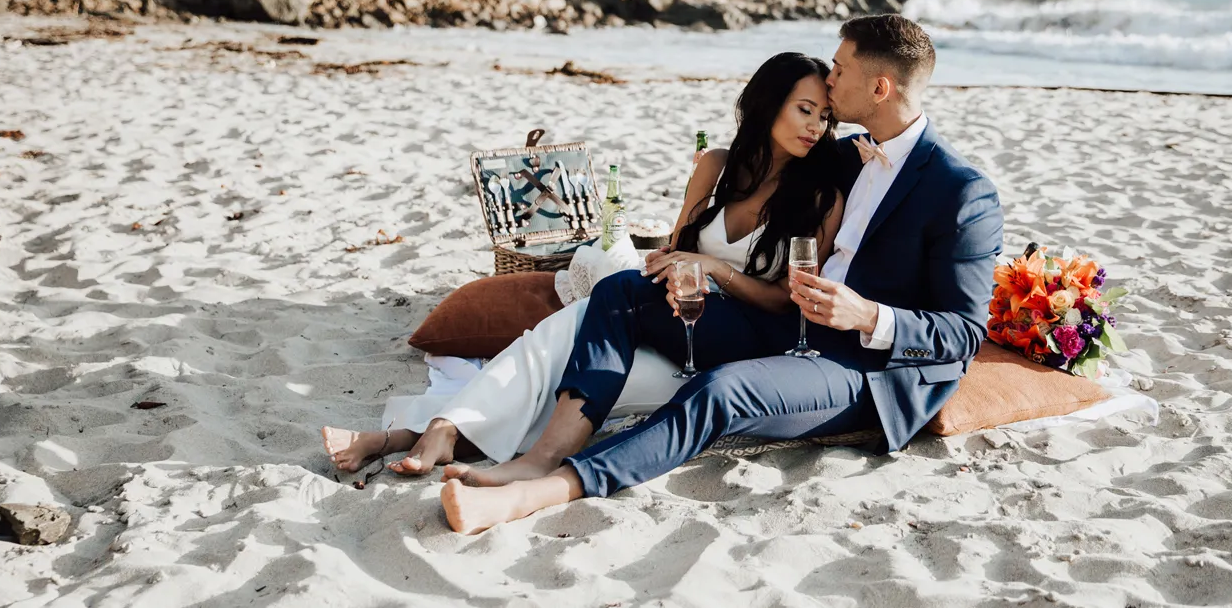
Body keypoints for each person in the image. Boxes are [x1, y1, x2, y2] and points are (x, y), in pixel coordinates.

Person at [437, 14, 1004, 534]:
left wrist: (869, 315)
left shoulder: (961, 191)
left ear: (879, 88)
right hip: (792, 329)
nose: (829, 81)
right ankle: (541, 453)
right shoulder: (848, 151)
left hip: (865, 367)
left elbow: (964, 333)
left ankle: (550, 488)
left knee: (721, 388)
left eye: (840, 68)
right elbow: (769, 153)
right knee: (622, 291)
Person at [320, 52, 846, 476]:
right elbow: (681, 243)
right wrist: (671, 260)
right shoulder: (715, 166)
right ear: (769, 103)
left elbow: (787, 299)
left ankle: (468, 439)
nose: (816, 127)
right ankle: (424, 434)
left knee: (608, 297)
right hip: (680, 313)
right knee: (564, 353)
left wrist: (717, 271)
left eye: (825, 117)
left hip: (750, 333)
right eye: (805, 110)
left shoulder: (820, 195)